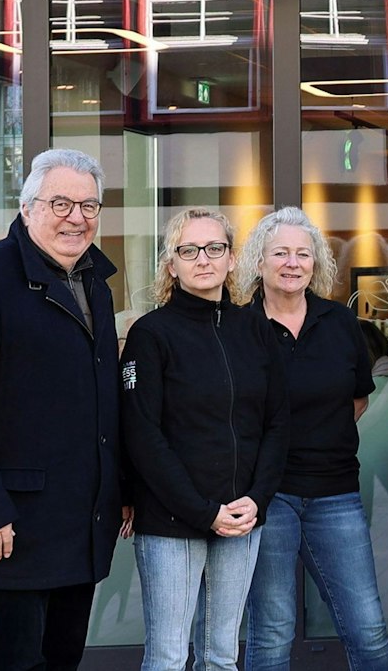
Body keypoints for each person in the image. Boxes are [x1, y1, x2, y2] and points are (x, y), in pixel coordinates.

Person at [0, 148, 129, 671]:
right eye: (60, 203)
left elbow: (104, 405)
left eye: (88, 205)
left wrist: (119, 489)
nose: (76, 218)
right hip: (11, 530)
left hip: (78, 526)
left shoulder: (95, 285)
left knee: (61, 661)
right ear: (28, 207)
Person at [120, 207, 288, 671]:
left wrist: (258, 498)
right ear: (171, 264)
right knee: (169, 659)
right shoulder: (151, 334)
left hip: (240, 517)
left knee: (222, 657)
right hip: (174, 524)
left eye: (215, 248)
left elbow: (277, 423)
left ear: (232, 259)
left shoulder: (255, 329)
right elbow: (142, 435)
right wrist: (201, 511)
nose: (203, 259)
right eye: (188, 250)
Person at [237, 208, 388, 671]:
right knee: (271, 632)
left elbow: (358, 399)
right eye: (280, 252)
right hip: (267, 496)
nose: (292, 262)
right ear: (260, 262)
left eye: (303, 253)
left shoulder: (340, 323)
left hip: (335, 492)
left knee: (367, 629)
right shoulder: (240, 328)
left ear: (316, 262)